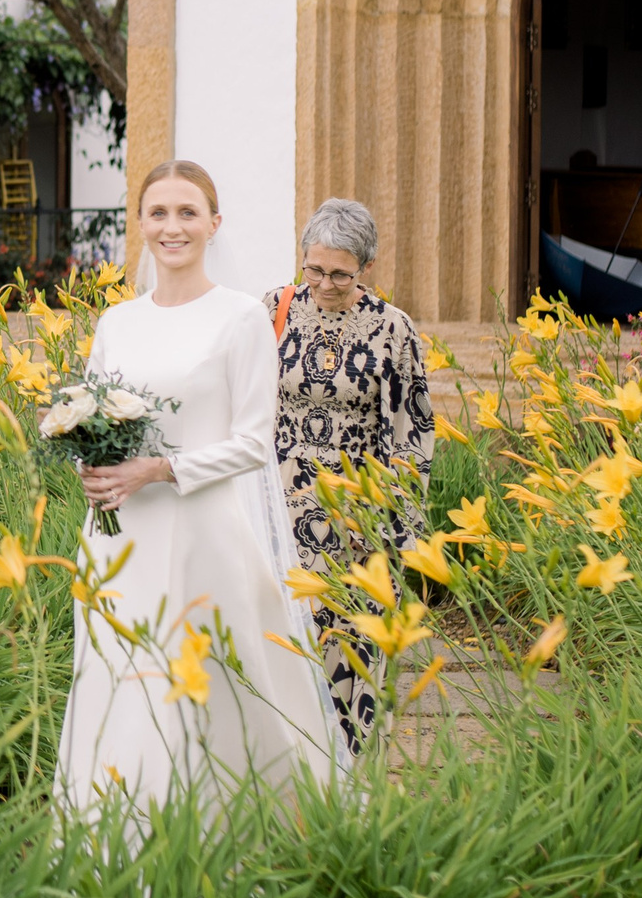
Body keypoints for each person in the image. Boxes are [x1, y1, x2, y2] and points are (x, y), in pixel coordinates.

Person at [56, 159, 338, 811]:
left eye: (187, 212)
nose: (172, 226)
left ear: (214, 224)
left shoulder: (240, 318)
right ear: (140, 224)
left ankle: (224, 829)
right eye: (158, 212)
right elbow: (90, 416)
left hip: (201, 532)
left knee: (207, 680)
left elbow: (252, 440)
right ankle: (114, 831)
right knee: (118, 675)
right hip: (119, 539)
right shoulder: (116, 323)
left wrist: (159, 469)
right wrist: (88, 463)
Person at [264, 197, 435, 756]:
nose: (326, 282)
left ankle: (352, 764)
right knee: (285, 628)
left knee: (354, 634)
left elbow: (414, 429)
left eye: (340, 273)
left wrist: (404, 526)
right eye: (314, 268)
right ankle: (289, 757)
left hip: (357, 507)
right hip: (281, 500)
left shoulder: (393, 328)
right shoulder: (274, 309)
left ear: (366, 266)